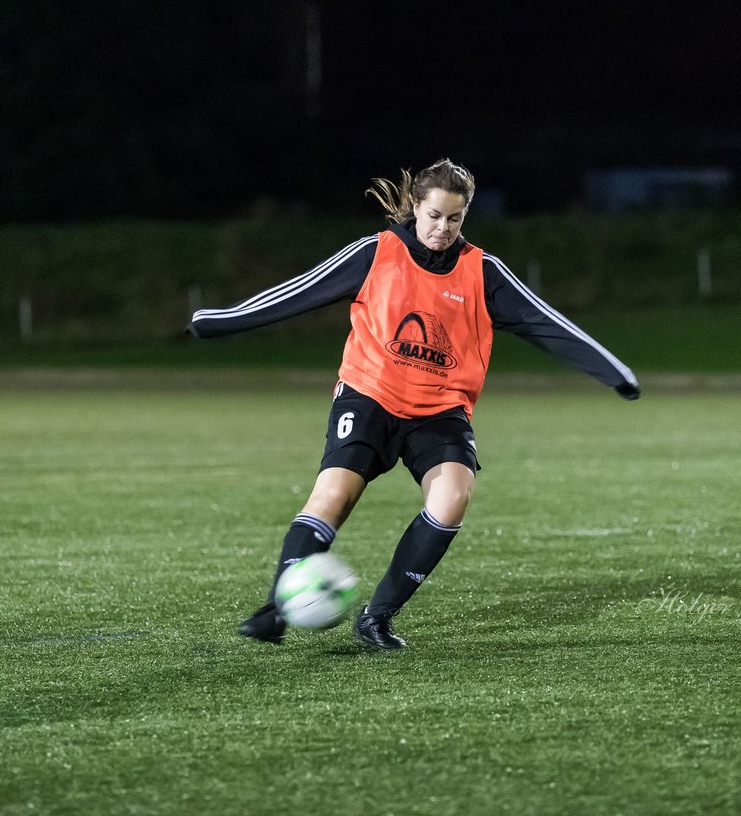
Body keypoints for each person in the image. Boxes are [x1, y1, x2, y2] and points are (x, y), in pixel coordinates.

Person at [188, 159, 639, 650]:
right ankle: (280, 606)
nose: (442, 229)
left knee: (452, 498)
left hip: (441, 410)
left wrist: (612, 372)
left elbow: (546, 323)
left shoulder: (482, 272)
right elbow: (296, 293)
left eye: (455, 219)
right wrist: (221, 321)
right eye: (434, 216)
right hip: (369, 397)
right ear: (415, 209)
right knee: (333, 497)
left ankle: (376, 618)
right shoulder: (376, 254)